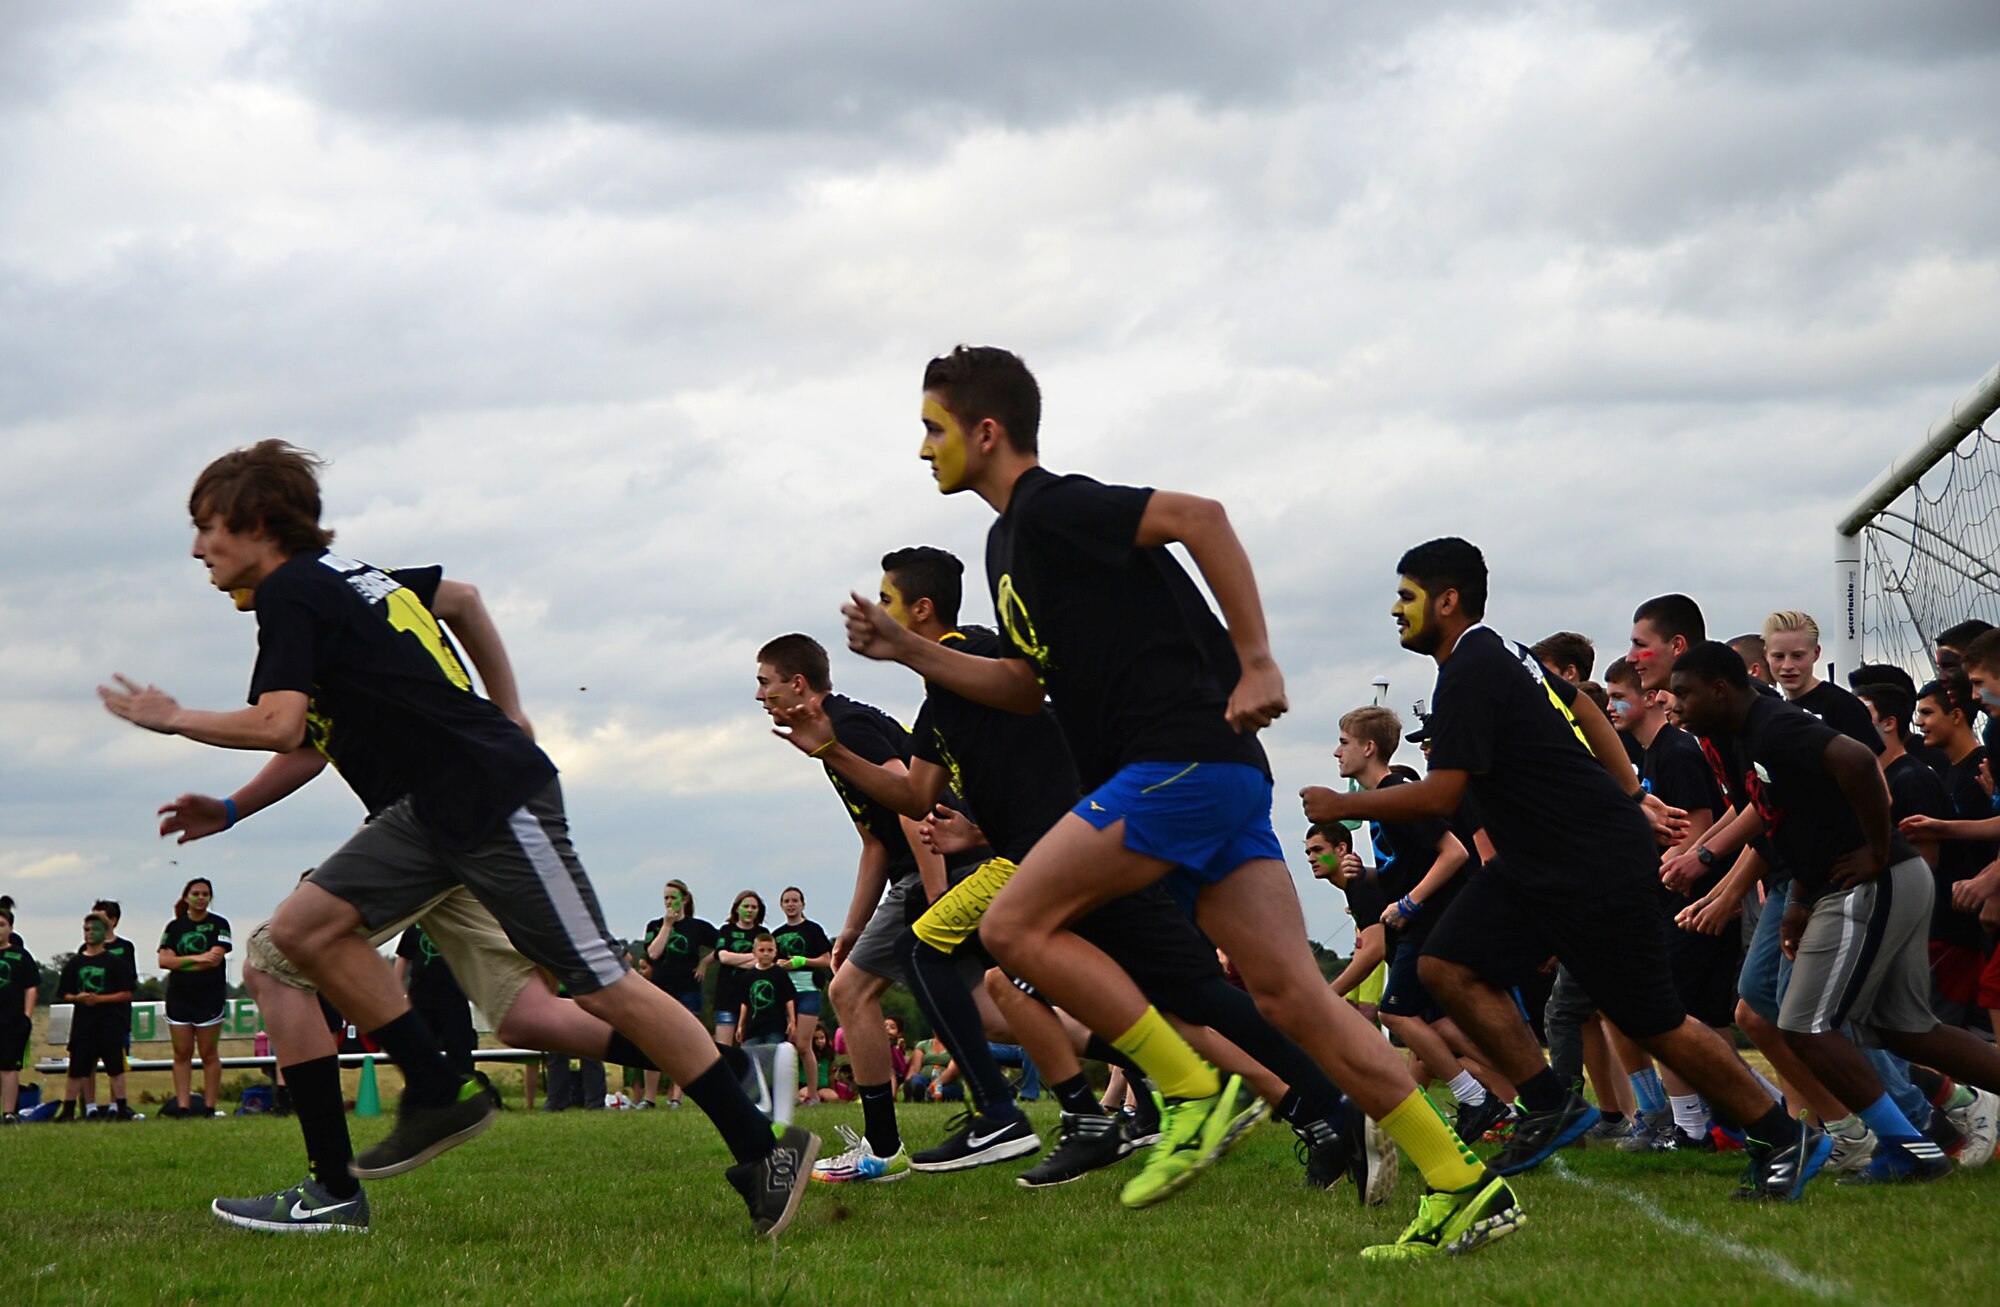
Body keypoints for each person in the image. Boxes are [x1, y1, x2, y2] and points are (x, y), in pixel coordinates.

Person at [848, 347, 1509, 1258]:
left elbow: (1203, 517)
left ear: (986, 431)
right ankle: (1460, 1181)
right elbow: (1023, 686)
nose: (924, 448)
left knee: (1010, 925)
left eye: (934, 428)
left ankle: (1192, 1091)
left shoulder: (1054, 505)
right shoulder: (1007, 545)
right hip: (1217, 774)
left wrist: (1258, 659)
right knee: (1294, 998)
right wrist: (906, 649)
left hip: (1180, 760)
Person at [101, 440, 815, 1237]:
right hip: (429, 813)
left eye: (209, 527)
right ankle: (435, 1089)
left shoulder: (292, 590)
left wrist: (174, 717)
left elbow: (279, 721)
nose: (199, 548)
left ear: (259, 524)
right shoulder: (348, 579)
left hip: (488, 800)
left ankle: (761, 1142)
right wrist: (507, 708)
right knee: (310, 938)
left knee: (602, 982)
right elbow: (456, 606)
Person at [1309, 539, 1825, 1204]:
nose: (1395, 610)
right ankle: (1550, 1101)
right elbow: (1582, 706)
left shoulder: (1472, 668)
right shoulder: (1500, 651)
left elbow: (1442, 794)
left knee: (1654, 1021)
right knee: (1445, 965)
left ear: (1447, 600)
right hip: (1537, 863)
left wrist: (1343, 805)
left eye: (1406, 596)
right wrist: (1633, 792)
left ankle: (1782, 1134)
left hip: (1589, 862)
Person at [1672, 641, 2000, 1182]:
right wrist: (1800, 899)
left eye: (1684, 693)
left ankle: (1908, 1148)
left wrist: (1876, 848)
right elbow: (1800, 821)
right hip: (1855, 883)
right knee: (1902, 1029)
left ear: (1720, 689)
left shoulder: (1773, 725)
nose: (1677, 705)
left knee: (1804, 1025)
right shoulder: (1744, 736)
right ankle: (1925, 1135)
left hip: (1873, 880)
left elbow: (1857, 761)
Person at [756, 632, 952, 1183]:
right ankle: (1146, 1075)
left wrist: (940, 900)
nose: (760, 696)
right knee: (990, 1012)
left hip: (938, 867)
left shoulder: (848, 726)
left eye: (766, 683)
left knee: (850, 992)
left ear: (798, 684)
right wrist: (851, 929)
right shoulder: (831, 739)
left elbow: (913, 804)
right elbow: (874, 842)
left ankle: (883, 1150)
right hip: (926, 869)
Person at [1332, 707, 1507, 1143]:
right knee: (1437, 1024)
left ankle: (1480, 1100)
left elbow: (1454, 852)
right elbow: (1408, 866)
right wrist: (1367, 874)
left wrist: (1409, 903)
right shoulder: (1382, 802)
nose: (1336, 752)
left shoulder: (1398, 795)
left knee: (1394, 1012)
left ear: (1369, 748)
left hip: (1433, 921)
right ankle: (1518, 1095)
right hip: (1424, 922)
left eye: (1344, 743)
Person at [158, 877, 233, 1117]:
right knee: (182, 1053)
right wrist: (197, 958)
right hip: (179, 996)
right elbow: (164, 961)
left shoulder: (219, 924)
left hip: (209, 997)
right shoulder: (174, 927)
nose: (201, 898)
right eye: (196, 893)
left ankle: (209, 1107)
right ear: (186, 897)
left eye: (205, 894)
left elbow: (214, 960)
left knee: (208, 1053)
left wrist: (180, 962)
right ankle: (183, 1106)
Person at [56, 911, 137, 1121]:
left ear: (105, 931)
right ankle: (69, 1110)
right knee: (77, 1067)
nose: (90, 933)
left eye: (95, 929)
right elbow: (64, 993)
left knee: (115, 1067)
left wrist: (101, 999)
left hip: (110, 1022)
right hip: (84, 1023)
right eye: (86, 929)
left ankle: (120, 1108)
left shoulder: (115, 962)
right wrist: (78, 998)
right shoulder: (75, 963)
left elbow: (127, 992)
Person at [641, 880, 715, 1107]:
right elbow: (653, 954)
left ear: (684, 899)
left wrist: (705, 962)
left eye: (673, 897)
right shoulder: (655, 925)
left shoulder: (697, 927)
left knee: (684, 1043)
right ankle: (649, 1098)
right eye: (666, 898)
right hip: (660, 990)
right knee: (654, 1043)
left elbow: (723, 944)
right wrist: (667, 925)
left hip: (688, 990)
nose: (669, 902)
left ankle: (676, 1097)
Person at [772, 888, 832, 1106]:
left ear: (803, 905)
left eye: (795, 901)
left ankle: (812, 1095)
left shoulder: (813, 929)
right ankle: (791, 1094)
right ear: (781, 905)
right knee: (788, 1045)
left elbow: (827, 960)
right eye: (786, 901)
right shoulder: (777, 934)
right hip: (785, 994)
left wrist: (802, 961)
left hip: (808, 991)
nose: (791, 904)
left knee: (804, 1045)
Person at [394, 923, 477, 1077]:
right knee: (420, 1049)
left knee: (459, 1048)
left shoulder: (457, 924)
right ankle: (425, 1087)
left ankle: (463, 1085)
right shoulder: (415, 926)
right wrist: (396, 992)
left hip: (454, 997)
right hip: (420, 999)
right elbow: (403, 958)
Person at [711, 892, 767, 1048]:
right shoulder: (726, 930)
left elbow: (764, 960)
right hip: (726, 998)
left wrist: (735, 959)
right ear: (737, 908)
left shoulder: (762, 933)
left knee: (749, 1050)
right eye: (746, 906)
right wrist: (753, 956)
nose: (749, 910)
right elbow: (723, 957)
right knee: (724, 1048)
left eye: (753, 907)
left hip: (752, 999)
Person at [0, 903, 38, 1124]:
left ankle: (9, 1112)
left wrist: (27, 1016)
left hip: (12, 1020)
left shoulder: (21, 956)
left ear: (10, 928)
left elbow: (31, 986)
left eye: (2, 925)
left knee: (8, 1067)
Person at [736, 932, 796, 1050]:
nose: (766, 953)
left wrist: (792, 1021)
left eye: (770, 950)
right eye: (762, 950)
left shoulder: (780, 973)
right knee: (749, 1056)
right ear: (754, 952)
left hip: (775, 1026)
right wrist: (740, 1025)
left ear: (775, 952)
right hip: (753, 1027)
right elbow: (745, 1003)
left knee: (773, 1055)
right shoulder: (748, 976)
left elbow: (789, 999)